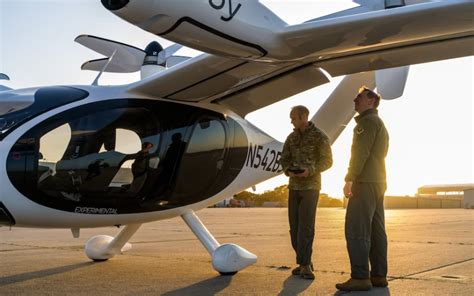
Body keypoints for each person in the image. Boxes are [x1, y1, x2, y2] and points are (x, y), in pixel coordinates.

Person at [336, 86, 389, 291]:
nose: (355, 99)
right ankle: (378, 275)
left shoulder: (366, 123)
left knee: (357, 228)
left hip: (365, 182)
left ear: (371, 101)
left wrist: (350, 178)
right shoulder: (380, 123)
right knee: (377, 230)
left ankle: (360, 276)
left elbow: (360, 153)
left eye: (359, 96)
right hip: (378, 182)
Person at [280, 105, 333, 280]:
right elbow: (284, 159)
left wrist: (309, 170)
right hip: (294, 187)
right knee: (294, 228)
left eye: (293, 117)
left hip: (311, 187)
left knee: (306, 227)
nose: (291, 121)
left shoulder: (320, 137)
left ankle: (305, 264)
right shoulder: (291, 137)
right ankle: (303, 261)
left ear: (304, 117)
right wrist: (288, 170)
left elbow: (327, 161)